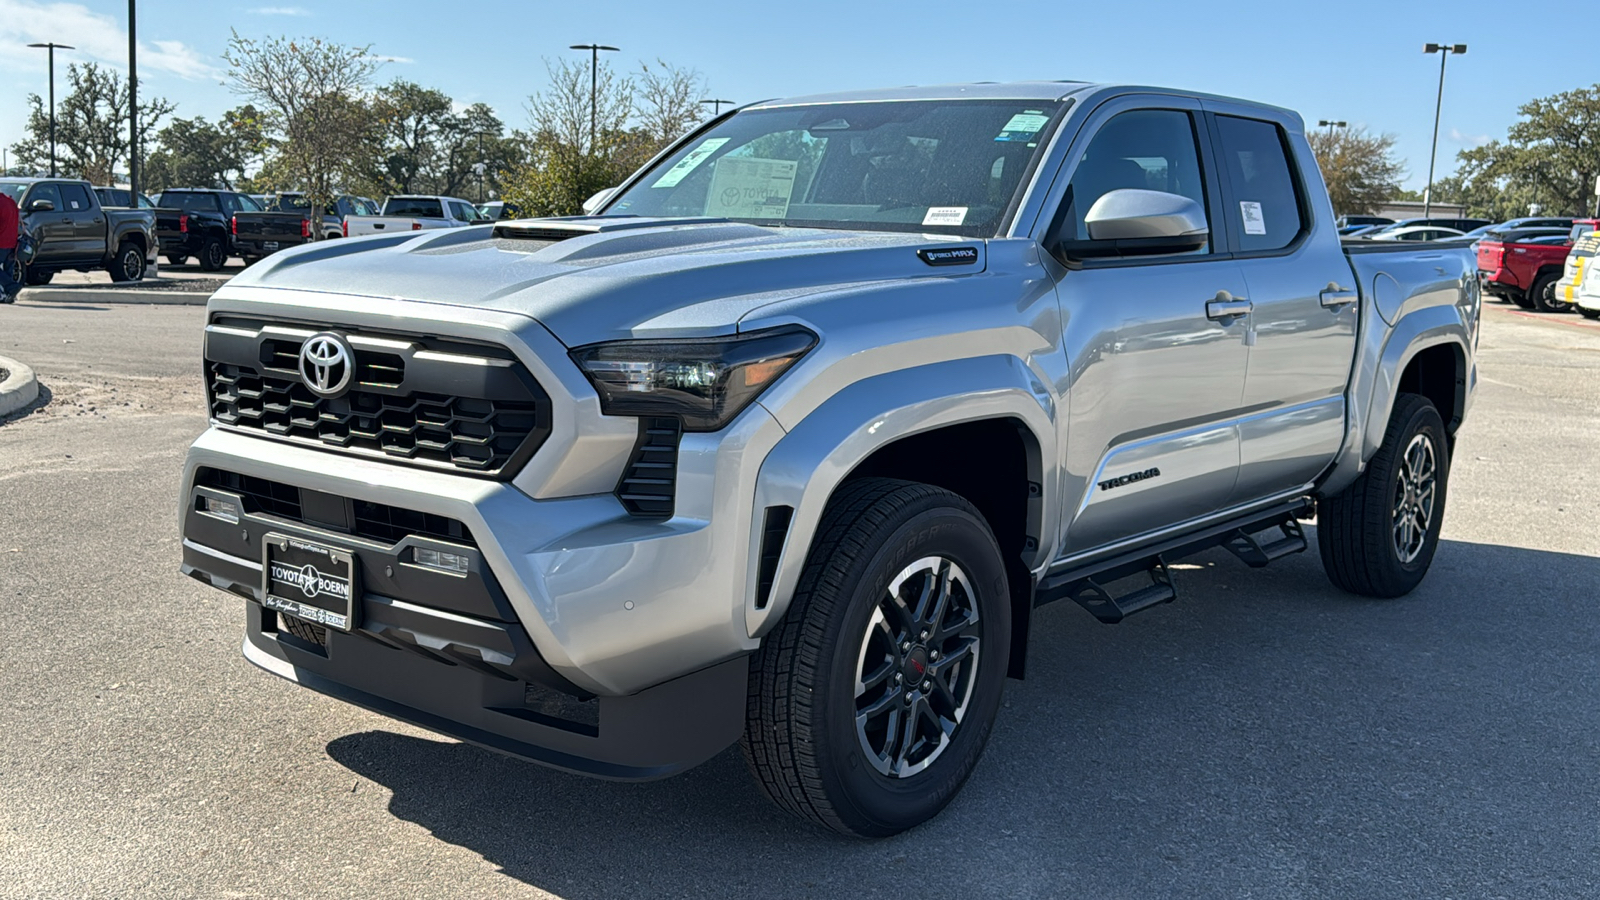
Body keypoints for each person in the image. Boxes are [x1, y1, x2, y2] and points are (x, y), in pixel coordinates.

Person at [0, 191, 19, 303]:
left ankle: (11, 286)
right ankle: (9, 295)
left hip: (1, 241)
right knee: (8, 269)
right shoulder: (11, 202)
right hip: (12, 242)